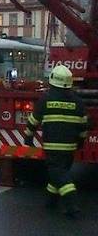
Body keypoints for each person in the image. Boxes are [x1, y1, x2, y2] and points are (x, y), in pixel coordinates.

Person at [24, 64, 88, 218]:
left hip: (52, 147)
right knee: (60, 172)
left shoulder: (45, 100)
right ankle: (51, 201)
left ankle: (72, 205)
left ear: (52, 81)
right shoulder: (78, 103)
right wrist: (81, 142)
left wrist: (28, 136)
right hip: (70, 148)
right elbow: (84, 126)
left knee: (58, 173)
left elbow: (33, 121)